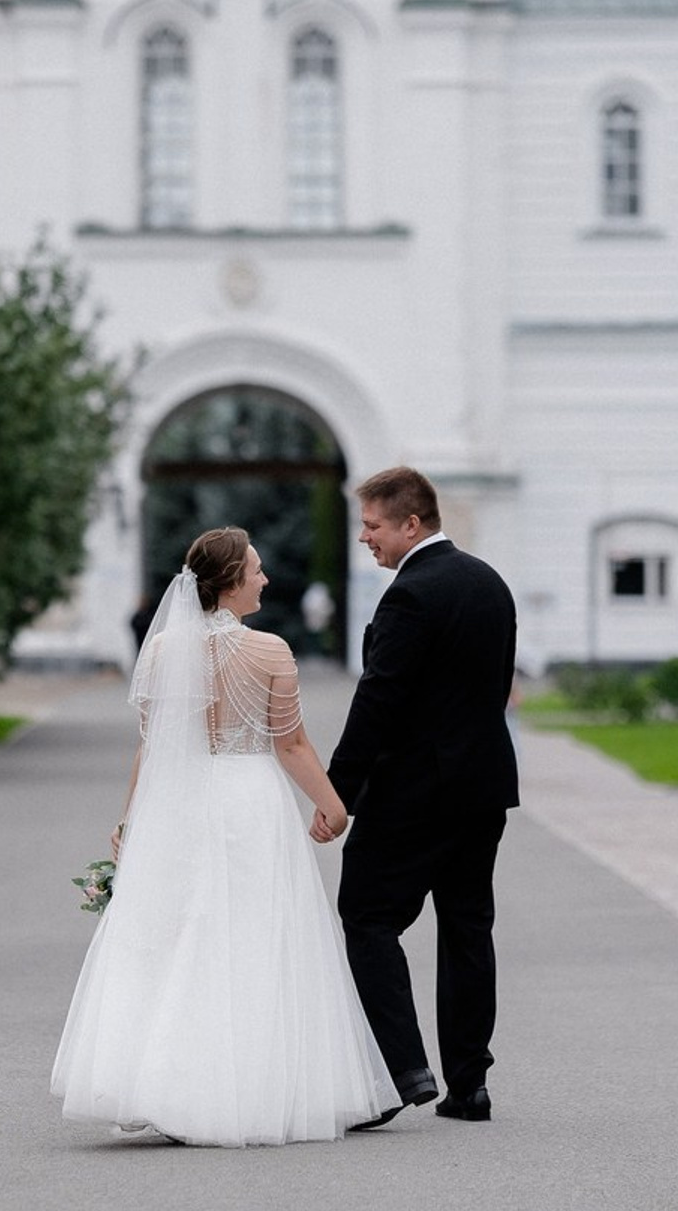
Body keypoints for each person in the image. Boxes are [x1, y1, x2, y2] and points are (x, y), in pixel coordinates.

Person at [52, 527, 399, 1146]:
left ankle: (167, 1084)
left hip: (178, 803)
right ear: (232, 582)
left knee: (183, 933)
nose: (265, 579)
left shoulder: (161, 652)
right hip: (248, 802)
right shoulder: (269, 652)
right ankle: (251, 1087)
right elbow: (290, 744)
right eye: (257, 571)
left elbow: (153, 746)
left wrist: (131, 818)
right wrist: (333, 806)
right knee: (252, 936)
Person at [312, 467, 519, 1127]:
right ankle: (470, 1087)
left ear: (412, 522)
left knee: (367, 917)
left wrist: (335, 793)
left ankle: (402, 1068)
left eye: (372, 525)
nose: (364, 538)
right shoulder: (489, 583)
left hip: (413, 794)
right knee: (467, 930)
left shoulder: (410, 597)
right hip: (483, 788)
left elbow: (379, 702)